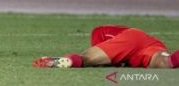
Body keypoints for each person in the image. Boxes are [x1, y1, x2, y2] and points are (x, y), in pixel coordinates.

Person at [34, 25, 179, 68]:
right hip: (153, 46)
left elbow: (100, 36)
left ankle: (54, 61)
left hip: (131, 39)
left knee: (86, 59)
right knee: (165, 62)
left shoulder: (102, 32)